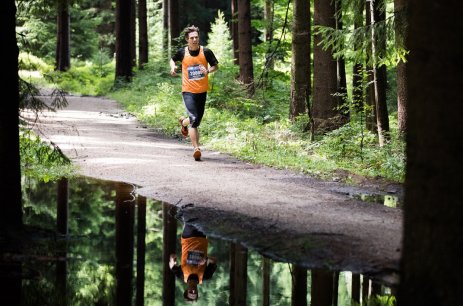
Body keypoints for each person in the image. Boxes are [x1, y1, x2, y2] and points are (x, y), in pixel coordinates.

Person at [170, 25, 219, 161]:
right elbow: (172, 59)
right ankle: (196, 148)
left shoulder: (206, 52)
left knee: (195, 120)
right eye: (192, 38)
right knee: (194, 119)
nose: (195, 40)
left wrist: (208, 71)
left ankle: (183, 122)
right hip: (188, 91)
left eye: (196, 37)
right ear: (187, 39)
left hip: (202, 91)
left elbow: (216, 66)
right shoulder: (182, 52)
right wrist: (173, 67)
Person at [169, 223, 217, 302]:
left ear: (186, 290)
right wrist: (206, 259)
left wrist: (171, 259)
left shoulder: (181, 275)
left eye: (191, 292)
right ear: (198, 292)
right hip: (202, 238)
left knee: (190, 216)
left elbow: (172, 267)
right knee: (202, 216)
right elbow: (214, 261)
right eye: (195, 293)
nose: (193, 291)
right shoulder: (206, 276)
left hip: (188, 238)